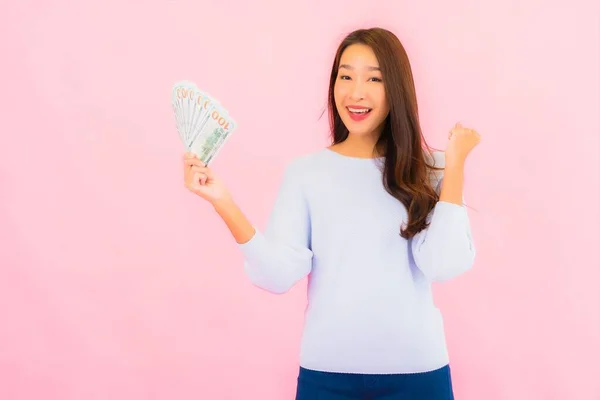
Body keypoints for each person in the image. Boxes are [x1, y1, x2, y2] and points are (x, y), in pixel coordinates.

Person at [183, 27, 480, 400]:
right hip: (327, 376)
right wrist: (222, 200)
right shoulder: (306, 173)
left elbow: (443, 264)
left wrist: (454, 168)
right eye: (346, 76)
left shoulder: (431, 169)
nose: (356, 92)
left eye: (374, 78)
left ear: (397, 89)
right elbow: (276, 274)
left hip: (418, 374)